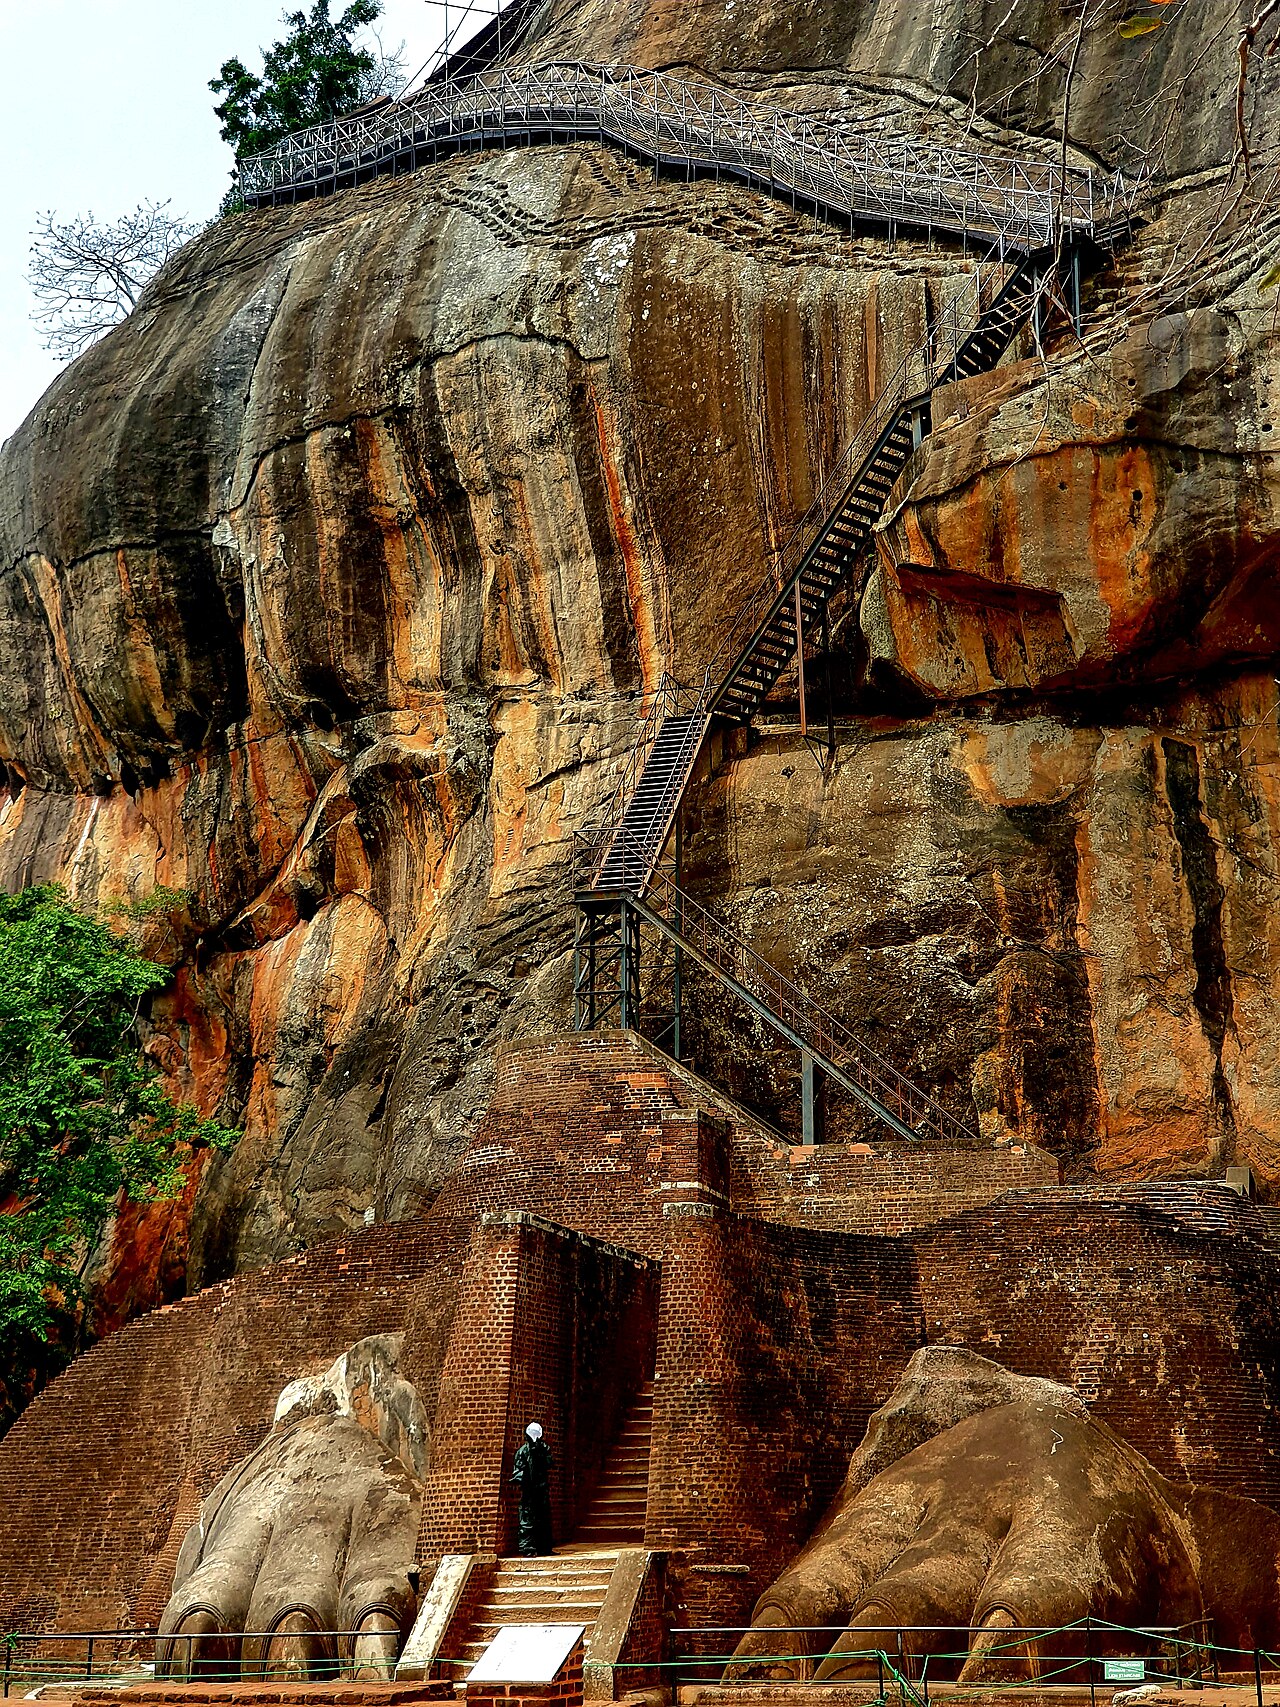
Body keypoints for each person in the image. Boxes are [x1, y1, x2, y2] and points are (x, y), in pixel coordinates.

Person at [510, 1421, 553, 1556]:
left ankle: (544, 1547)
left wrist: (538, 1453)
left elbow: (549, 1463)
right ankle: (527, 1548)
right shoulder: (522, 1452)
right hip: (529, 1491)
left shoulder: (544, 1449)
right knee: (527, 1521)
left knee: (543, 1519)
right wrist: (524, 1479)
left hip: (541, 1489)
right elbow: (518, 1470)